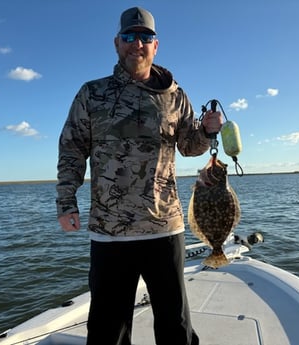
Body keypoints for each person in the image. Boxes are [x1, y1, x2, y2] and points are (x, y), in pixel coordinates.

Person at [56, 6, 222, 345]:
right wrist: (66, 201)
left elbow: (190, 147)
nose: (138, 44)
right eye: (130, 37)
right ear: (117, 43)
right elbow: (72, 148)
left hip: (165, 227)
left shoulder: (175, 96)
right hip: (109, 232)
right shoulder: (92, 93)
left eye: (145, 37)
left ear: (155, 45)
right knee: (107, 330)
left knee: (174, 325)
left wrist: (205, 132)